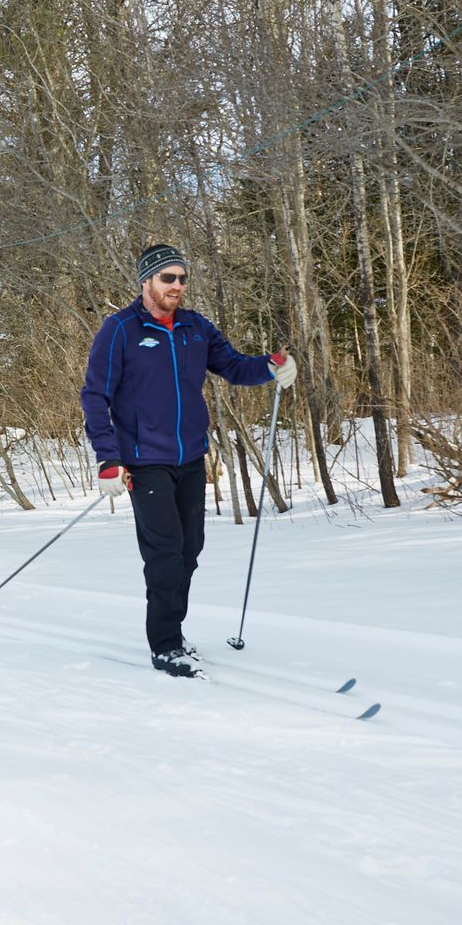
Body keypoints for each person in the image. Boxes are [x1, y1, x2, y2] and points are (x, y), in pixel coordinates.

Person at [81, 244, 297, 677]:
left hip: (191, 457)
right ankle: (165, 645)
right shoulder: (120, 329)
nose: (176, 286)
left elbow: (234, 366)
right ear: (146, 282)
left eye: (181, 278)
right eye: (168, 278)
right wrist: (108, 458)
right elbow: (94, 395)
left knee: (189, 550)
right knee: (165, 553)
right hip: (144, 462)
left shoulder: (196, 328)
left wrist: (271, 367)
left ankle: (174, 632)